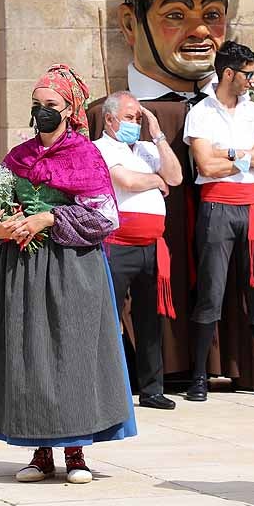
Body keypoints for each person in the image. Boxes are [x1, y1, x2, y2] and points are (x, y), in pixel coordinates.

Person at [74, 0, 254, 394]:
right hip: (160, 230)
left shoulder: (250, 107)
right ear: (131, 24)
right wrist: (241, 156)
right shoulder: (128, 115)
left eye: (212, 14)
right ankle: (173, 375)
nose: (200, 31)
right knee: (190, 292)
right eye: (176, 15)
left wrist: (232, 157)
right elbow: (205, 163)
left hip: (245, 213)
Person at [0, 64, 136, 485]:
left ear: (70, 109)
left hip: (71, 269)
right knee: (31, 356)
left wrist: (48, 218)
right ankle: (40, 452)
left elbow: (104, 217)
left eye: (51, 105)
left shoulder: (85, 155)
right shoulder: (19, 157)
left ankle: (76, 452)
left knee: (71, 355)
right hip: (23, 269)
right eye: (37, 105)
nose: (42, 111)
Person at [183, 41, 254, 402]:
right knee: (211, 292)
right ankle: (198, 377)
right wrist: (250, 156)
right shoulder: (201, 112)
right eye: (247, 74)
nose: (252, 80)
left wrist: (230, 154)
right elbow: (206, 166)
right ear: (228, 73)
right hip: (217, 207)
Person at [96, 91, 183, 410]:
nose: (135, 123)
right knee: (109, 317)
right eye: (129, 117)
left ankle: (151, 388)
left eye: (138, 118)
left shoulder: (148, 148)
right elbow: (126, 180)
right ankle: (107, 386)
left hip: (151, 245)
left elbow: (176, 176)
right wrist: (157, 181)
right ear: (109, 119)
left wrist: (157, 132)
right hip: (117, 243)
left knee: (150, 319)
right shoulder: (101, 148)